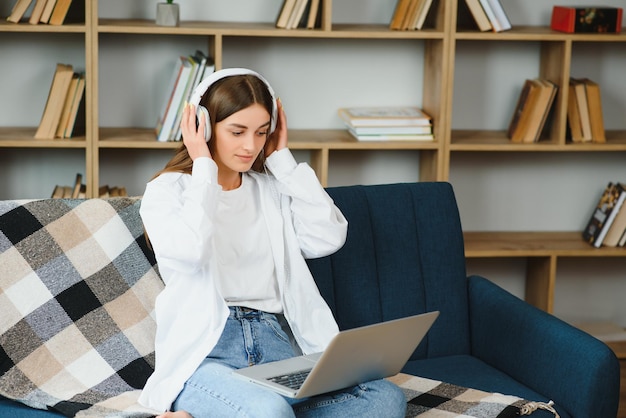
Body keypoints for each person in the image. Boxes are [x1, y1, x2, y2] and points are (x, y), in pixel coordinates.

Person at [138, 68, 406, 418]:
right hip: (207, 355)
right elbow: (191, 252)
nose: (251, 146)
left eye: (261, 132)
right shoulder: (168, 191)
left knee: (384, 398)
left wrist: (282, 160)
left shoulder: (270, 189)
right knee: (268, 411)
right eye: (237, 131)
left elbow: (327, 237)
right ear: (203, 127)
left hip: (274, 346)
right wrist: (203, 164)